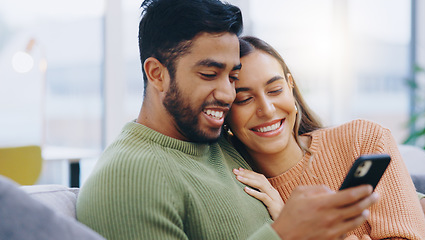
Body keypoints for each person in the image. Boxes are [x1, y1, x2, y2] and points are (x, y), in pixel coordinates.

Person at [76, 0, 379, 239]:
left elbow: (302, 159)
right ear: (157, 74)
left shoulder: (218, 140)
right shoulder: (130, 177)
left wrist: (412, 197)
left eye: (232, 77)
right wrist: (285, 235)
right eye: (209, 74)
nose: (227, 93)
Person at [226, 36, 425, 239]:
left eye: (275, 90)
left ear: (290, 86)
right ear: (226, 110)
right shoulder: (244, 192)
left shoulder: (363, 140)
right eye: (244, 99)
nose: (266, 109)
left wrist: (416, 198)